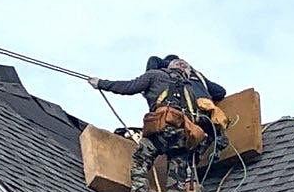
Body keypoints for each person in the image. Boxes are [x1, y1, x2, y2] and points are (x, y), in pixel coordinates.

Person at [89, 55, 229, 146]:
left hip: (176, 121)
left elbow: (131, 84)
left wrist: (101, 83)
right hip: (203, 122)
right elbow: (221, 92)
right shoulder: (197, 78)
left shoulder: (160, 76)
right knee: (183, 155)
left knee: (144, 155)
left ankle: (140, 190)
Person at [121, 103, 215, 192]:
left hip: (161, 131)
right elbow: (219, 92)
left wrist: (100, 83)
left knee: (141, 160)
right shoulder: (194, 87)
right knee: (176, 180)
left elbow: (130, 87)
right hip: (182, 137)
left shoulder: (155, 83)